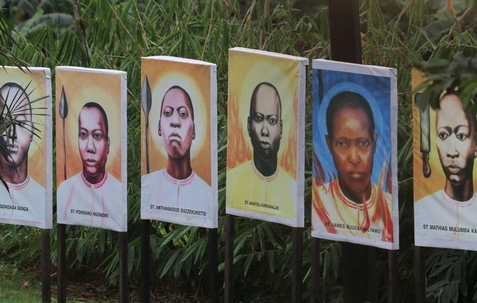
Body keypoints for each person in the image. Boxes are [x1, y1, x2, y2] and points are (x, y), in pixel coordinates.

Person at [312, 90, 393, 242]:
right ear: (330, 145)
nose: (354, 159)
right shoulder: (320, 205)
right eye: (342, 144)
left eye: (363, 143)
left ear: (374, 143)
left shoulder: (389, 206)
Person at [415, 92, 477, 243]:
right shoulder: (422, 210)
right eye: (443, 135)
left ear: (476, 146)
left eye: (461, 136)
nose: (451, 152)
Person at [226, 82, 297, 222]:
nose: (265, 131)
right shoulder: (233, 181)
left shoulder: (292, 189)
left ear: (281, 128)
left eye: (272, 121)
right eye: (258, 119)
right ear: (248, 125)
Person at [141, 85, 211, 223]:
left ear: (194, 130)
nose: (175, 122)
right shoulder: (148, 187)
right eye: (167, 113)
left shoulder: (207, 195)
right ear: (159, 127)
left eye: (183, 114)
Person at [0, 82, 45, 223]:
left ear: (32, 130)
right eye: (3, 122)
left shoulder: (42, 198)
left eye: (20, 123)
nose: (11, 133)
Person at [57, 102, 122, 229]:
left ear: (107, 144)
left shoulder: (119, 193)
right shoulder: (64, 190)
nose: (90, 147)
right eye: (83, 135)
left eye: (97, 136)